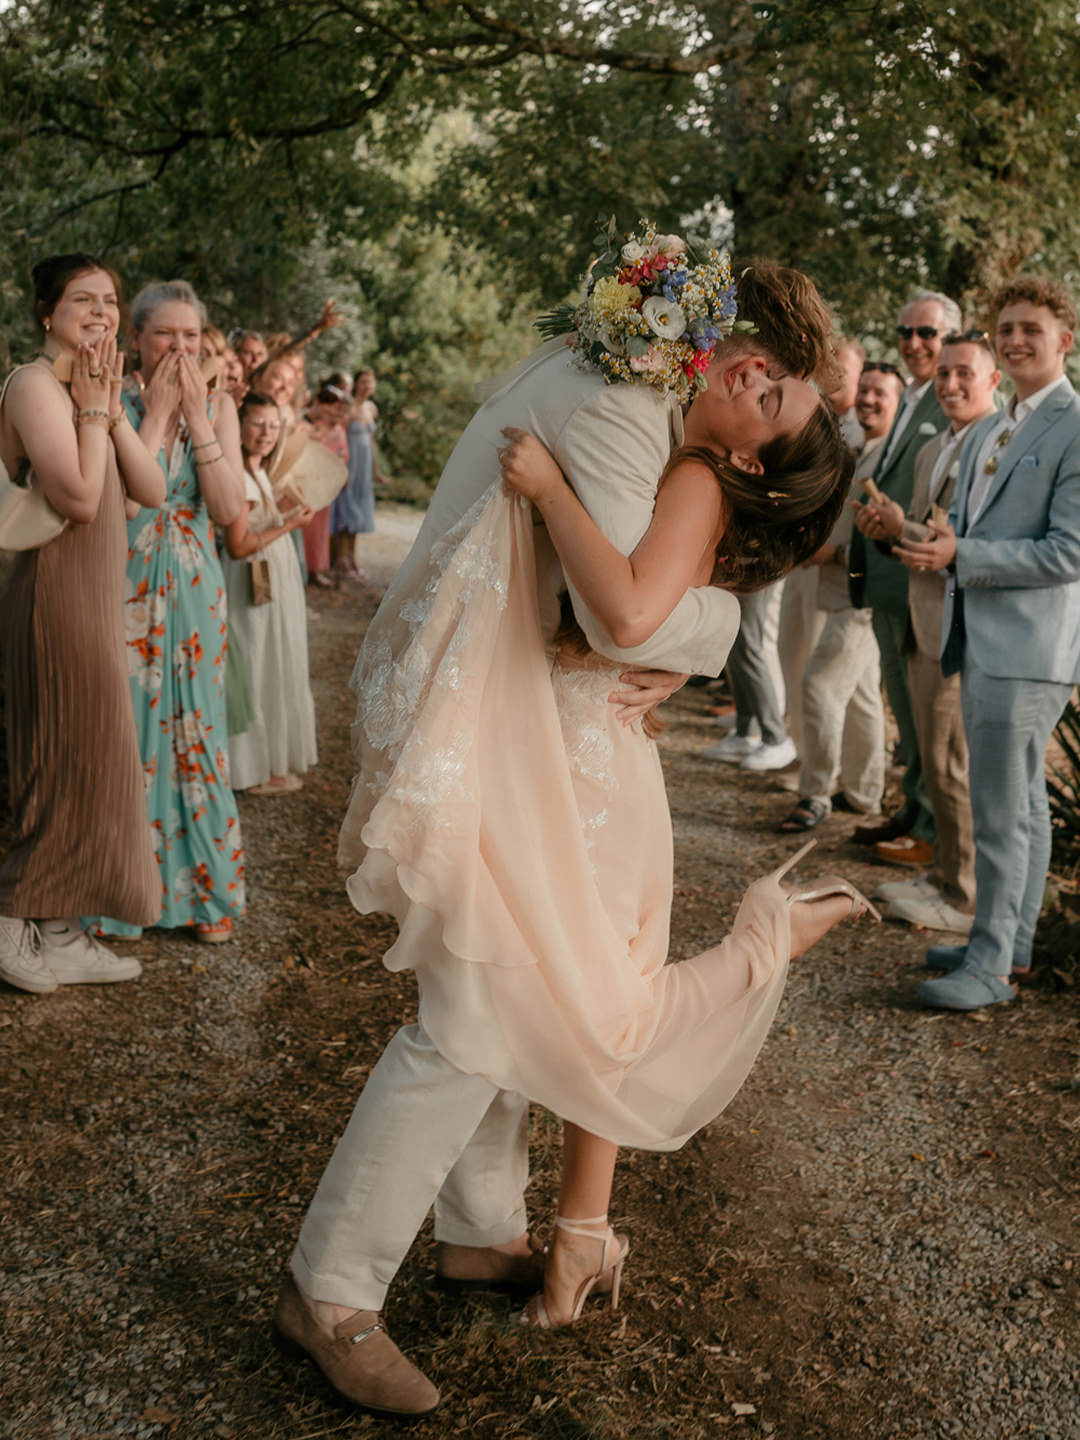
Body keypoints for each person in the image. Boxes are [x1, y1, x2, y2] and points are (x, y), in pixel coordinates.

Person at [275, 242, 863, 1417]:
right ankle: (328, 1290)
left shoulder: (642, 407)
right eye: (778, 409)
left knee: (510, 975)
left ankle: (478, 1231)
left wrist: (661, 647)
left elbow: (619, 615)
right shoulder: (620, 414)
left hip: (520, 720)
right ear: (748, 368)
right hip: (488, 719)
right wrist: (680, 648)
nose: (754, 444)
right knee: (479, 1007)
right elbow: (613, 617)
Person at [897, 278, 1080, 1010]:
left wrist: (961, 558)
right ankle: (1007, 943)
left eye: (1031, 328)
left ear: (1064, 339)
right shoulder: (997, 426)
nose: (1014, 339)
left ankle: (988, 970)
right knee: (1024, 809)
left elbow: (1068, 552)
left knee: (1001, 815)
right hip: (980, 642)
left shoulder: (1072, 423)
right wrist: (945, 542)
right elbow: (973, 528)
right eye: (1006, 328)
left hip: (1028, 653)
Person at [0, 254, 166, 994]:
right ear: (46, 312)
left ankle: (61, 927)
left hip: (99, 595)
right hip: (51, 595)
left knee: (95, 761)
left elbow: (151, 491)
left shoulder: (93, 388)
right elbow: (76, 496)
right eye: (81, 299)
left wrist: (114, 406)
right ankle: (10, 915)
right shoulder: (34, 384)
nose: (100, 311)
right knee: (54, 756)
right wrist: (97, 410)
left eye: (110, 300)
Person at [90, 280, 247, 945]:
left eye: (191, 336)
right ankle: (120, 893)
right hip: (124, 579)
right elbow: (124, 504)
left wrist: (201, 419)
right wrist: (156, 415)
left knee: (196, 733)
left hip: (195, 588)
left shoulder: (221, 407)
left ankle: (206, 892)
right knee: (126, 736)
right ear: (137, 339)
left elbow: (229, 508)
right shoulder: (109, 402)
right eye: (165, 334)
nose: (179, 348)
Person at [863, 335, 1001, 930]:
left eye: (963, 373)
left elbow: (966, 548)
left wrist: (905, 527)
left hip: (964, 630)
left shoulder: (996, 446)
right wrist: (883, 531)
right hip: (921, 620)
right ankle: (944, 873)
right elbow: (919, 537)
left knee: (951, 766)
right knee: (931, 758)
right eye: (943, 374)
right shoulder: (932, 450)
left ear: (992, 381)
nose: (949, 384)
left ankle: (965, 896)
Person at [849, 292, 957, 864]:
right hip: (888, 579)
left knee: (922, 716)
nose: (913, 343)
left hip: (921, 585)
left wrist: (901, 525)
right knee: (903, 708)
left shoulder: (950, 402)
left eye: (927, 334)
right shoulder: (913, 398)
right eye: (905, 332)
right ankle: (913, 808)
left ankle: (932, 829)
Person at [778, 361, 903, 831]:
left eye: (881, 394)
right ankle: (866, 793)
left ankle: (815, 795)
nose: (868, 399)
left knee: (820, 685)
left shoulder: (893, 458)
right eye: (865, 389)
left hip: (864, 596)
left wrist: (831, 554)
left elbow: (891, 540)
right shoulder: (856, 444)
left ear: (899, 403)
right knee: (863, 695)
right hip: (838, 588)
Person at [222, 393, 318, 794]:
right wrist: (290, 525)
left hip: (274, 580)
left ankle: (270, 762)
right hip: (249, 579)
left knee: (276, 661)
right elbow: (239, 544)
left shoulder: (260, 470)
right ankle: (248, 768)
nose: (266, 434)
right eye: (257, 424)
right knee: (257, 662)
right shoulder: (239, 477)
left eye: (273, 426)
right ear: (239, 426)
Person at [330, 367, 381, 578]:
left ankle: (352, 558)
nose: (367, 386)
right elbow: (339, 435)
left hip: (364, 467)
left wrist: (377, 470)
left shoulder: (371, 408)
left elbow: (371, 442)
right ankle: (340, 559)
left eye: (370, 382)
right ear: (356, 384)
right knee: (346, 510)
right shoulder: (348, 406)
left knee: (359, 511)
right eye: (363, 382)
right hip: (350, 464)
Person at [303, 383, 349, 588]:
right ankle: (304, 568)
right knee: (305, 525)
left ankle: (316, 569)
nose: (331, 410)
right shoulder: (313, 426)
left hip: (327, 481)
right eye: (327, 405)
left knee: (321, 529)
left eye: (334, 406)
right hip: (307, 480)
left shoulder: (338, 429)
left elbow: (343, 454)